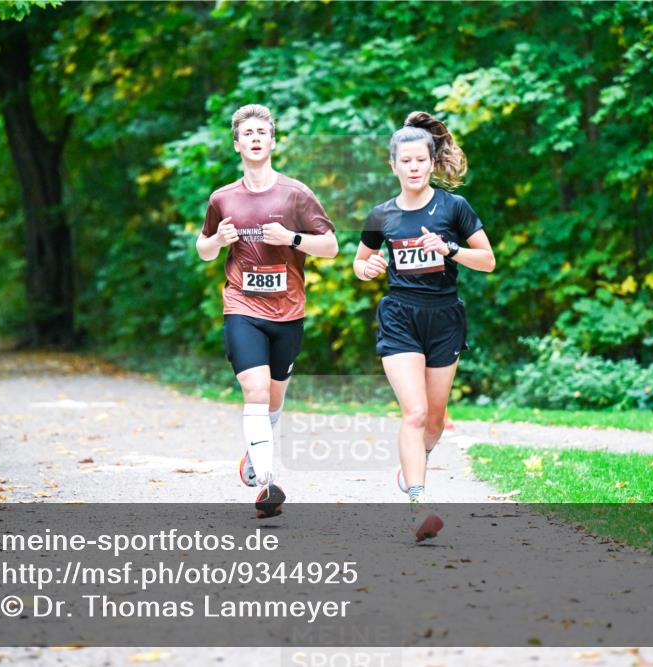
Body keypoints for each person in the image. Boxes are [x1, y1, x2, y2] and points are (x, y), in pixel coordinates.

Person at [353, 111, 495, 541]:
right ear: (393, 165)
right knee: (413, 413)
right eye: (406, 161)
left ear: (432, 163)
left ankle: (414, 464)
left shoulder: (454, 207)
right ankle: (418, 503)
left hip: (445, 318)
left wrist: (450, 248)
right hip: (400, 316)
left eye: (421, 161)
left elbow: (487, 261)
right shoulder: (382, 215)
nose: (414, 168)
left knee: (433, 421)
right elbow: (360, 262)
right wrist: (369, 267)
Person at [196, 104, 338, 518]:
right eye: (248, 132)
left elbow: (329, 247)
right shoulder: (222, 198)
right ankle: (268, 482)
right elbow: (203, 250)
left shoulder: (295, 194)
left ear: (273, 141)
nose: (256, 138)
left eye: (263, 132)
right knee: (255, 392)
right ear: (237, 144)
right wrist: (218, 241)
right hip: (242, 306)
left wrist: (292, 238)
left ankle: (253, 459)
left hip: (289, 312)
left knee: (273, 402)